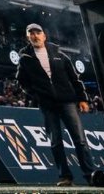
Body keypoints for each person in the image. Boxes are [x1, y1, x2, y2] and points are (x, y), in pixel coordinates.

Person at [16, 24, 93, 186]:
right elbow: (22, 82)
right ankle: (65, 177)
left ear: (44, 36)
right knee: (55, 141)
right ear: (28, 38)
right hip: (47, 105)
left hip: (67, 101)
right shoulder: (25, 59)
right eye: (31, 34)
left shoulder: (60, 55)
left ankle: (90, 175)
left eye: (38, 33)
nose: (35, 36)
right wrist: (37, 95)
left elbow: (75, 79)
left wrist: (82, 99)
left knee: (80, 139)